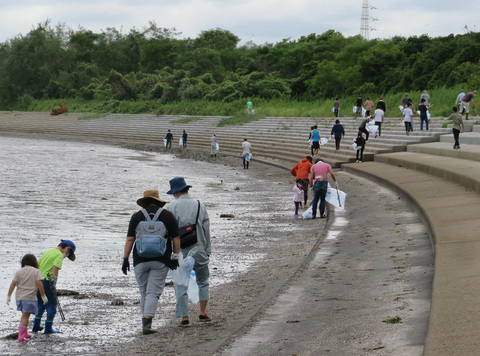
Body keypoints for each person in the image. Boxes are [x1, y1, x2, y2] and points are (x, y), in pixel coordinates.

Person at [122, 190, 181, 335]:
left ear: (144, 201)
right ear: (158, 201)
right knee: (153, 293)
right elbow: (176, 238)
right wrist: (175, 257)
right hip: (161, 260)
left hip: (140, 260)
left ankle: (145, 321)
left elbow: (130, 239)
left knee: (144, 291)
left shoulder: (136, 216)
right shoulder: (168, 216)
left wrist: (125, 259)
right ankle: (147, 325)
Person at [165, 177, 212, 327]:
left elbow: (167, 232)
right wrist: (207, 250)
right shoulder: (200, 205)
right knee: (203, 280)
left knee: (180, 283)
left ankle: (184, 317)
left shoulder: (171, 207)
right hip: (199, 248)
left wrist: (168, 253)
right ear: (187, 189)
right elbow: (206, 230)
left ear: (176, 192)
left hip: (180, 250)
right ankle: (202, 313)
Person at [33, 240, 76, 334]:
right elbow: (55, 267)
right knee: (52, 305)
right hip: (48, 281)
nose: (66, 257)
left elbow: (37, 265)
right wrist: (54, 281)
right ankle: (48, 328)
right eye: (68, 255)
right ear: (67, 249)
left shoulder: (48, 251)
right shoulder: (59, 255)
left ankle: (36, 325)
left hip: (38, 281)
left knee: (40, 304)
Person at [7, 254, 48, 343]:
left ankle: (24, 333)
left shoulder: (19, 272)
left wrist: (9, 296)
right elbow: (39, 284)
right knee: (26, 316)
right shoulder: (36, 271)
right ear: (34, 262)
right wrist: (43, 296)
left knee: (24, 315)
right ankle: (21, 336)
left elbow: (13, 284)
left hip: (19, 298)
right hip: (29, 298)